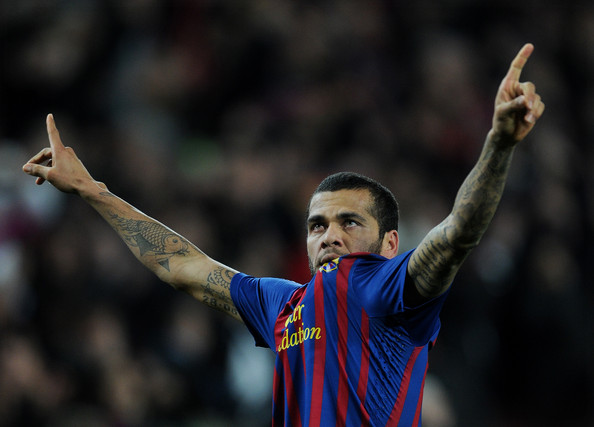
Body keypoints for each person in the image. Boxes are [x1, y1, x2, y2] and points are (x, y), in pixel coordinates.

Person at [23, 43, 544, 426]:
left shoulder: (391, 291)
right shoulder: (284, 304)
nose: (329, 236)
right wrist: (93, 191)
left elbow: (457, 234)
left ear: (390, 244)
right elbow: (180, 265)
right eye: (317, 225)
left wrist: (498, 144)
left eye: (349, 222)